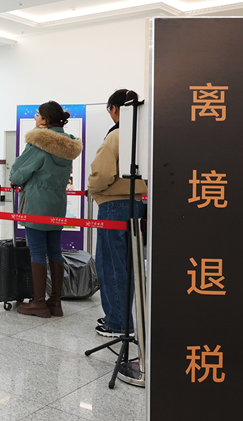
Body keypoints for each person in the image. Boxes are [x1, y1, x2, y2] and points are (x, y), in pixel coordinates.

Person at [9, 102, 82, 317]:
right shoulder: (68, 146)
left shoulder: (38, 143)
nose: (35, 117)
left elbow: (18, 173)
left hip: (36, 204)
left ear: (45, 120)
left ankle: (39, 302)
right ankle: (55, 302)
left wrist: (15, 178)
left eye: (38, 114)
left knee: (38, 252)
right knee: (55, 251)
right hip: (57, 204)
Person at [88, 89, 148, 337]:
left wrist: (93, 188)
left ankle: (117, 323)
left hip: (113, 206)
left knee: (110, 265)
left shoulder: (116, 135)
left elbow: (102, 174)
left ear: (115, 109)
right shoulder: (144, 134)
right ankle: (124, 320)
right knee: (129, 265)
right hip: (139, 204)